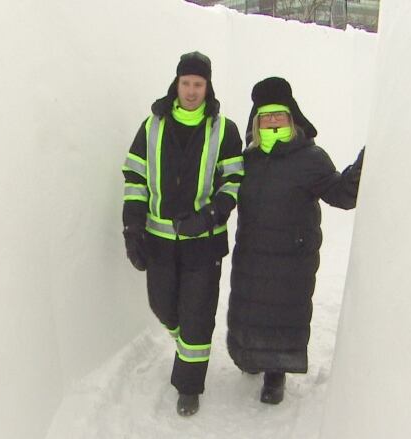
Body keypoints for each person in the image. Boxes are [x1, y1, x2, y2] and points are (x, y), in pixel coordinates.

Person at [227, 77, 364, 405]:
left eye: (279, 114)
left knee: (282, 313)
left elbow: (341, 193)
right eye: (266, 115)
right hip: (252, 254)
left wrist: (364, 163)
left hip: (292, 256)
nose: (272, 120)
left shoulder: (310, 158)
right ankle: (250, 357)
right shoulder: (248, 160)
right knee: (250, 307)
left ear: (292, 118)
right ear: (256, 122)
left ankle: (276, 373)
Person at [121, 52, 244, 416]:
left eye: (198, 84)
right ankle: (184, 343)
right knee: (162, 305)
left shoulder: (225, 129)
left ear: (208, 87)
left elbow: (234, 181)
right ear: (176, 84)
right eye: (186, 83)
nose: (191, 91)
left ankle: (188, 386)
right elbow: (135, 179)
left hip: (204, 245)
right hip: (159, 242)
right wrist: (132, 228)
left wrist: (208, 216)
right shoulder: (152, 126)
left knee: (197, 315)